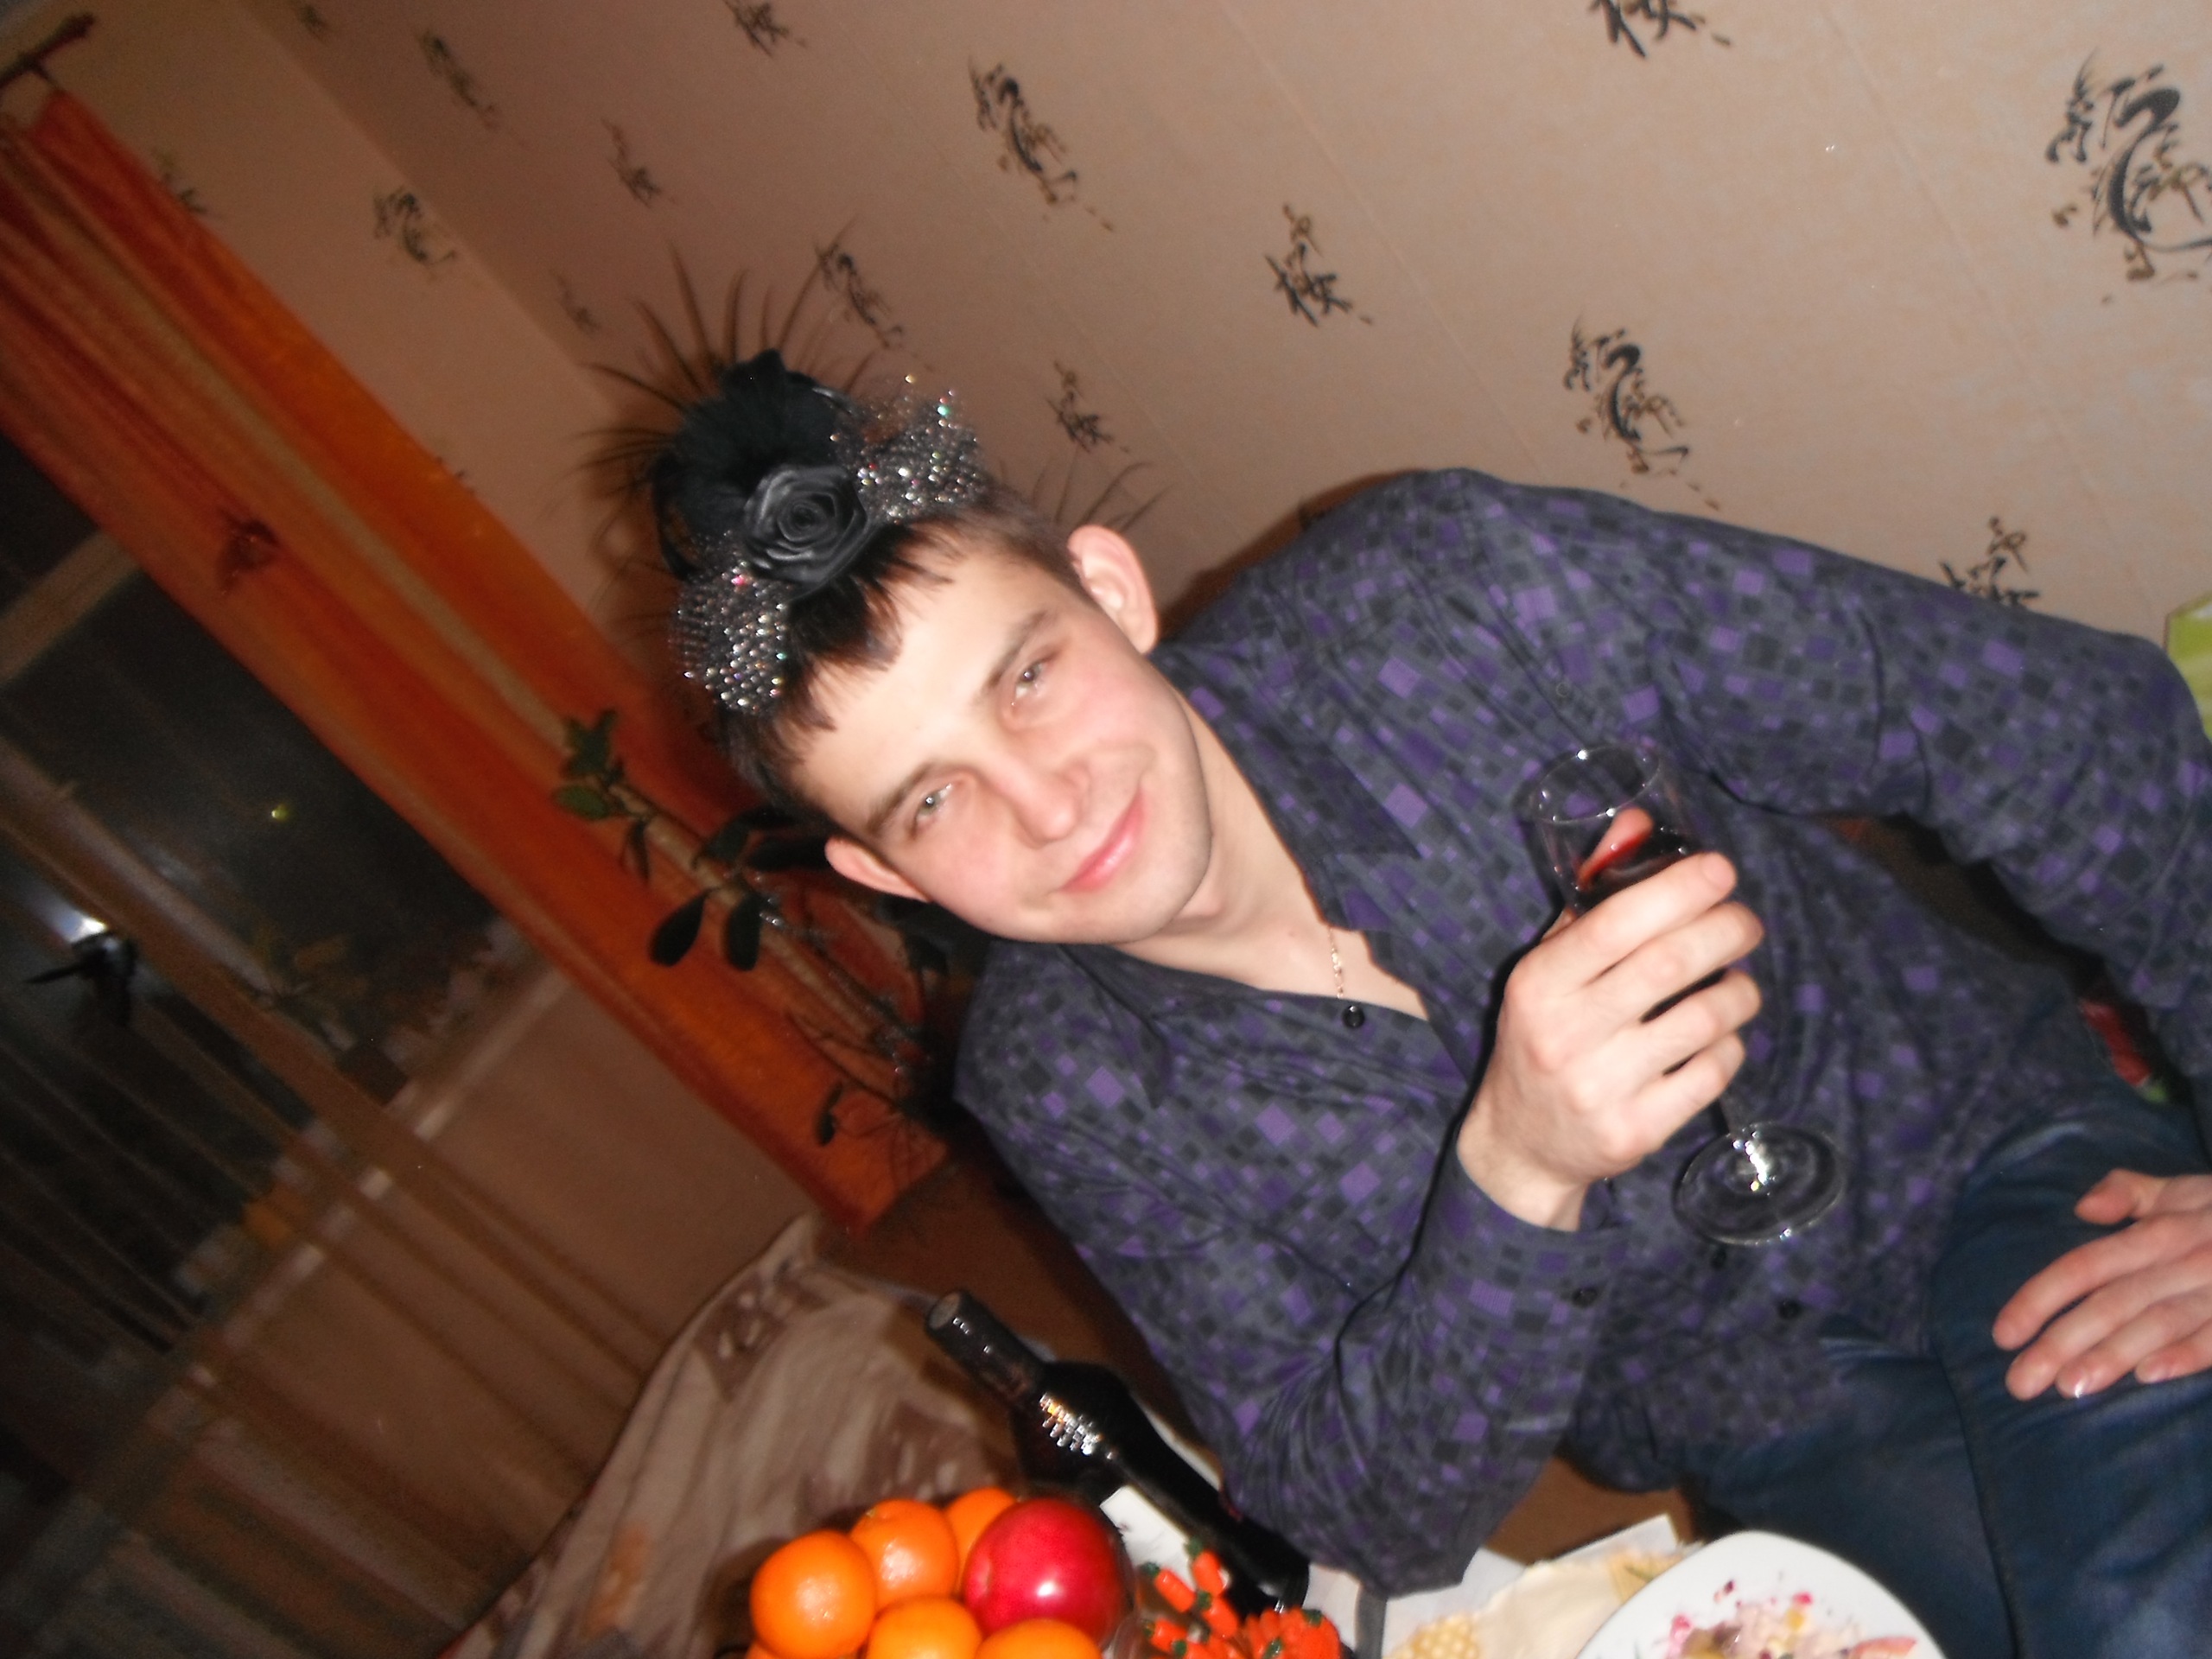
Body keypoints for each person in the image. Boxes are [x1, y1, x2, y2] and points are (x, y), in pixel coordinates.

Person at [650, 353, 2212, 1659]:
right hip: (1762, 1414)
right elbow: (1368, 1511)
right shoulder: (1059, 1079)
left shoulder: (1456, 592)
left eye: (1028, 678)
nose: (1047, 808)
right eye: (935, 800)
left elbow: (2067, 733)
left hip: (1981, 1150)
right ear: (884, 871)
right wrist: (1515, 1175)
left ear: (1108, 591)